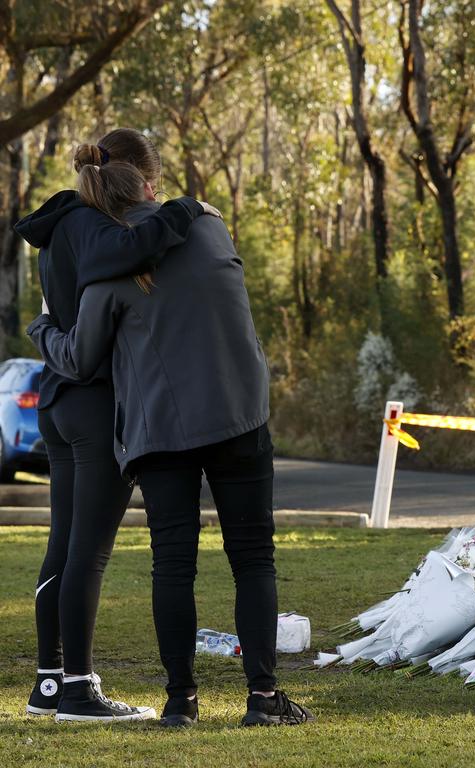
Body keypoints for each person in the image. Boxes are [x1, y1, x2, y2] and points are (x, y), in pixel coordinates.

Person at [27, 156, 314, 728]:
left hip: (160, 430)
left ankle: (180, 700)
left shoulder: (107, 270)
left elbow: (82, 359)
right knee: (253, 558)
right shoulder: (210, 224)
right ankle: (262, 698)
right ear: (150, 186)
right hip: (240, 416)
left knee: (173, 565)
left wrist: (42, 330)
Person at [15, 129, 219, 722]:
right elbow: (129, 253)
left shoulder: (65, 224)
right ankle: (77, 688)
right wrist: (186, 208)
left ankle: (50, 684)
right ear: (134, 180)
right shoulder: (92, 226)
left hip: (60, 401)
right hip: (92, 399)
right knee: (88, 554)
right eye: (150, 188)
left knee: (64, 548)